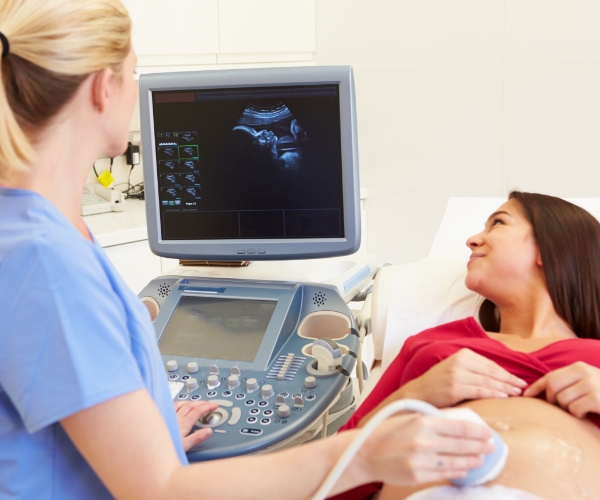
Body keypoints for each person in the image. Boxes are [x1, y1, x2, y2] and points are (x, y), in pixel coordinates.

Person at [0, 1, 495, 499]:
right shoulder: (44, 260)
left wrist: (139, 429)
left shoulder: (35, 226)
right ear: (102, 89)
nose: (135, 91)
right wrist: (363, 453)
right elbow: (160, 490)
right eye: (133, 74)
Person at [333, 192, 600, 500]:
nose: (472, 240)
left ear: (552, 249)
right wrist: (412, 396)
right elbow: (330, 479)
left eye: (498, 223)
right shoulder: (434, 346)